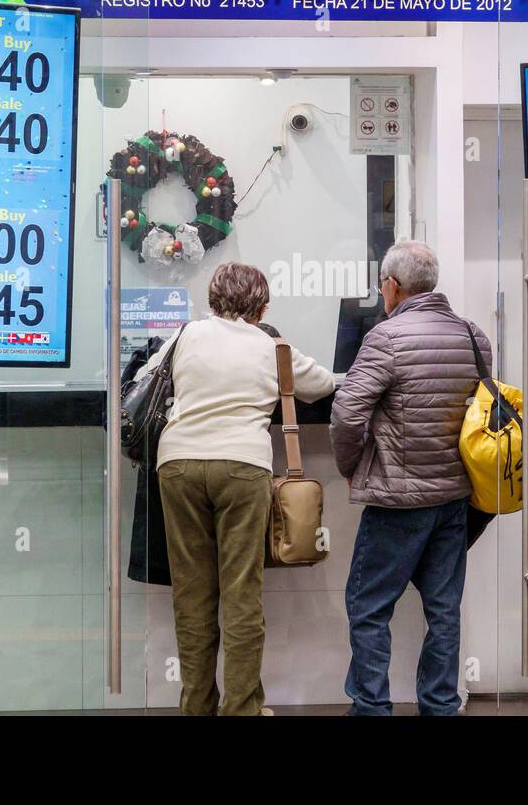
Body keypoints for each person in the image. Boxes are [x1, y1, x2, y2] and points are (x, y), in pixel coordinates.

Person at [141, 262, 334, 716]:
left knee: (192, 594)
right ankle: (242, 709)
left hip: (178, 464)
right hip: (242, 468)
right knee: (241, 595)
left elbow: (146, 375)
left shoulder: (185, 335)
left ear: (212, 298)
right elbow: (323, 385)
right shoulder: (272, 346)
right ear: (262, 304)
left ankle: (197, 707)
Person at [330, 240, 490, 716]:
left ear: (393, 287)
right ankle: (441, 705)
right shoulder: (472, 335)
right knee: (443, 610)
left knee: (369, 606)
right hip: (454, 499)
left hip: (399, 502)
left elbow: (346, 413)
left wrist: (351, 467)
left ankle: (371, 708)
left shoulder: (387, 337)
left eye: (383, 285)